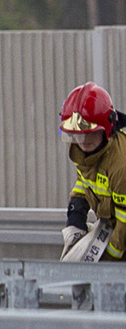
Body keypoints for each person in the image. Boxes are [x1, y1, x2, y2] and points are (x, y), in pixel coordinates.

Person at [59, 82, 126, 261]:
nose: (83, 139)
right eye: (78, 133)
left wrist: (109, 260)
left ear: (106, 129)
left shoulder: (121, 164)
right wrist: (76, 215)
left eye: (90, 132)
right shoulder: (85, 152)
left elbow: (124, 223)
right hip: (113, 228)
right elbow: (84, 181)